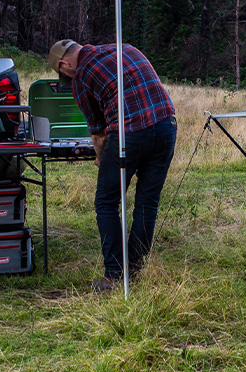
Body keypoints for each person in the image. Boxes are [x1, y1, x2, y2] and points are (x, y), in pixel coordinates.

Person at [48, 39, 177, 291]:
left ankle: (115, 276)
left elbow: (99, 134)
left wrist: (100, 158)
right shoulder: (125, 47)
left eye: (63, 73)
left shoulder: (82, 78)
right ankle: (136, 271)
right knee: (147, 202)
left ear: (65, 64)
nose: (67, 76)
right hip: (166, 126)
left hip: (130, 133)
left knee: (106, 203)